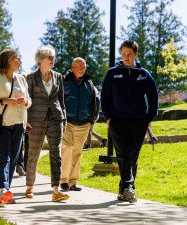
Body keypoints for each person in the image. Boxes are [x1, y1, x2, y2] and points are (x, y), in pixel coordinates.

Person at [101, 40, 158, 203]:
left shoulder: (144, 74)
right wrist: (108, 116)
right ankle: (129, 187)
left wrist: (149, 117)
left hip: (139, 121)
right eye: (124, 54)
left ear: (135, 54)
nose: (126, 57)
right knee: (123, 154)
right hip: (117, 121)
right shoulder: (112, 73)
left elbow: (153, 97)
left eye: (129, 54)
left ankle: (123, 190)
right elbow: (104, 96)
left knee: (132, 156)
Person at [0, 49, 31, 204]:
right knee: (5, 156)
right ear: (9, 60)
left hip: (19, 123)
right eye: (18, 58)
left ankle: (6, 192)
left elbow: (29, 100)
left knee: (14, 158)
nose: (20, 61)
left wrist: (25, 101)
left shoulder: (21, 79)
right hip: (2, 123)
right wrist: (3, 101)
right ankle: (3, 189)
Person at [25, 45, 69, 202]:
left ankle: (56, 190)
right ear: (41, 59)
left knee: (56, 154)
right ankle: (29, 186)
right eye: (49, 57)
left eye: (53, 57)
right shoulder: (31, 77)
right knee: (33, 153)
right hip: (35, 119)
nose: (53, 60)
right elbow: (27, 100)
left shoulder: (58, 76)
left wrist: (64, 119)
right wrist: (26, 120)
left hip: (56, 119)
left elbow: (61, 100)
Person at [60, 57, 99, 191]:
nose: (82, 69)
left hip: (83, 123)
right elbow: (59, 101)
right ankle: (64, 180)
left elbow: (95, 102)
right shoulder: (64, 82)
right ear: (72, 68)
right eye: (79, 66)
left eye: (84, 66)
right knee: (67, 147)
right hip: (67, 122)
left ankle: (73, 182)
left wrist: (91, 120)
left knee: (77, 152)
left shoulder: (89, 83)